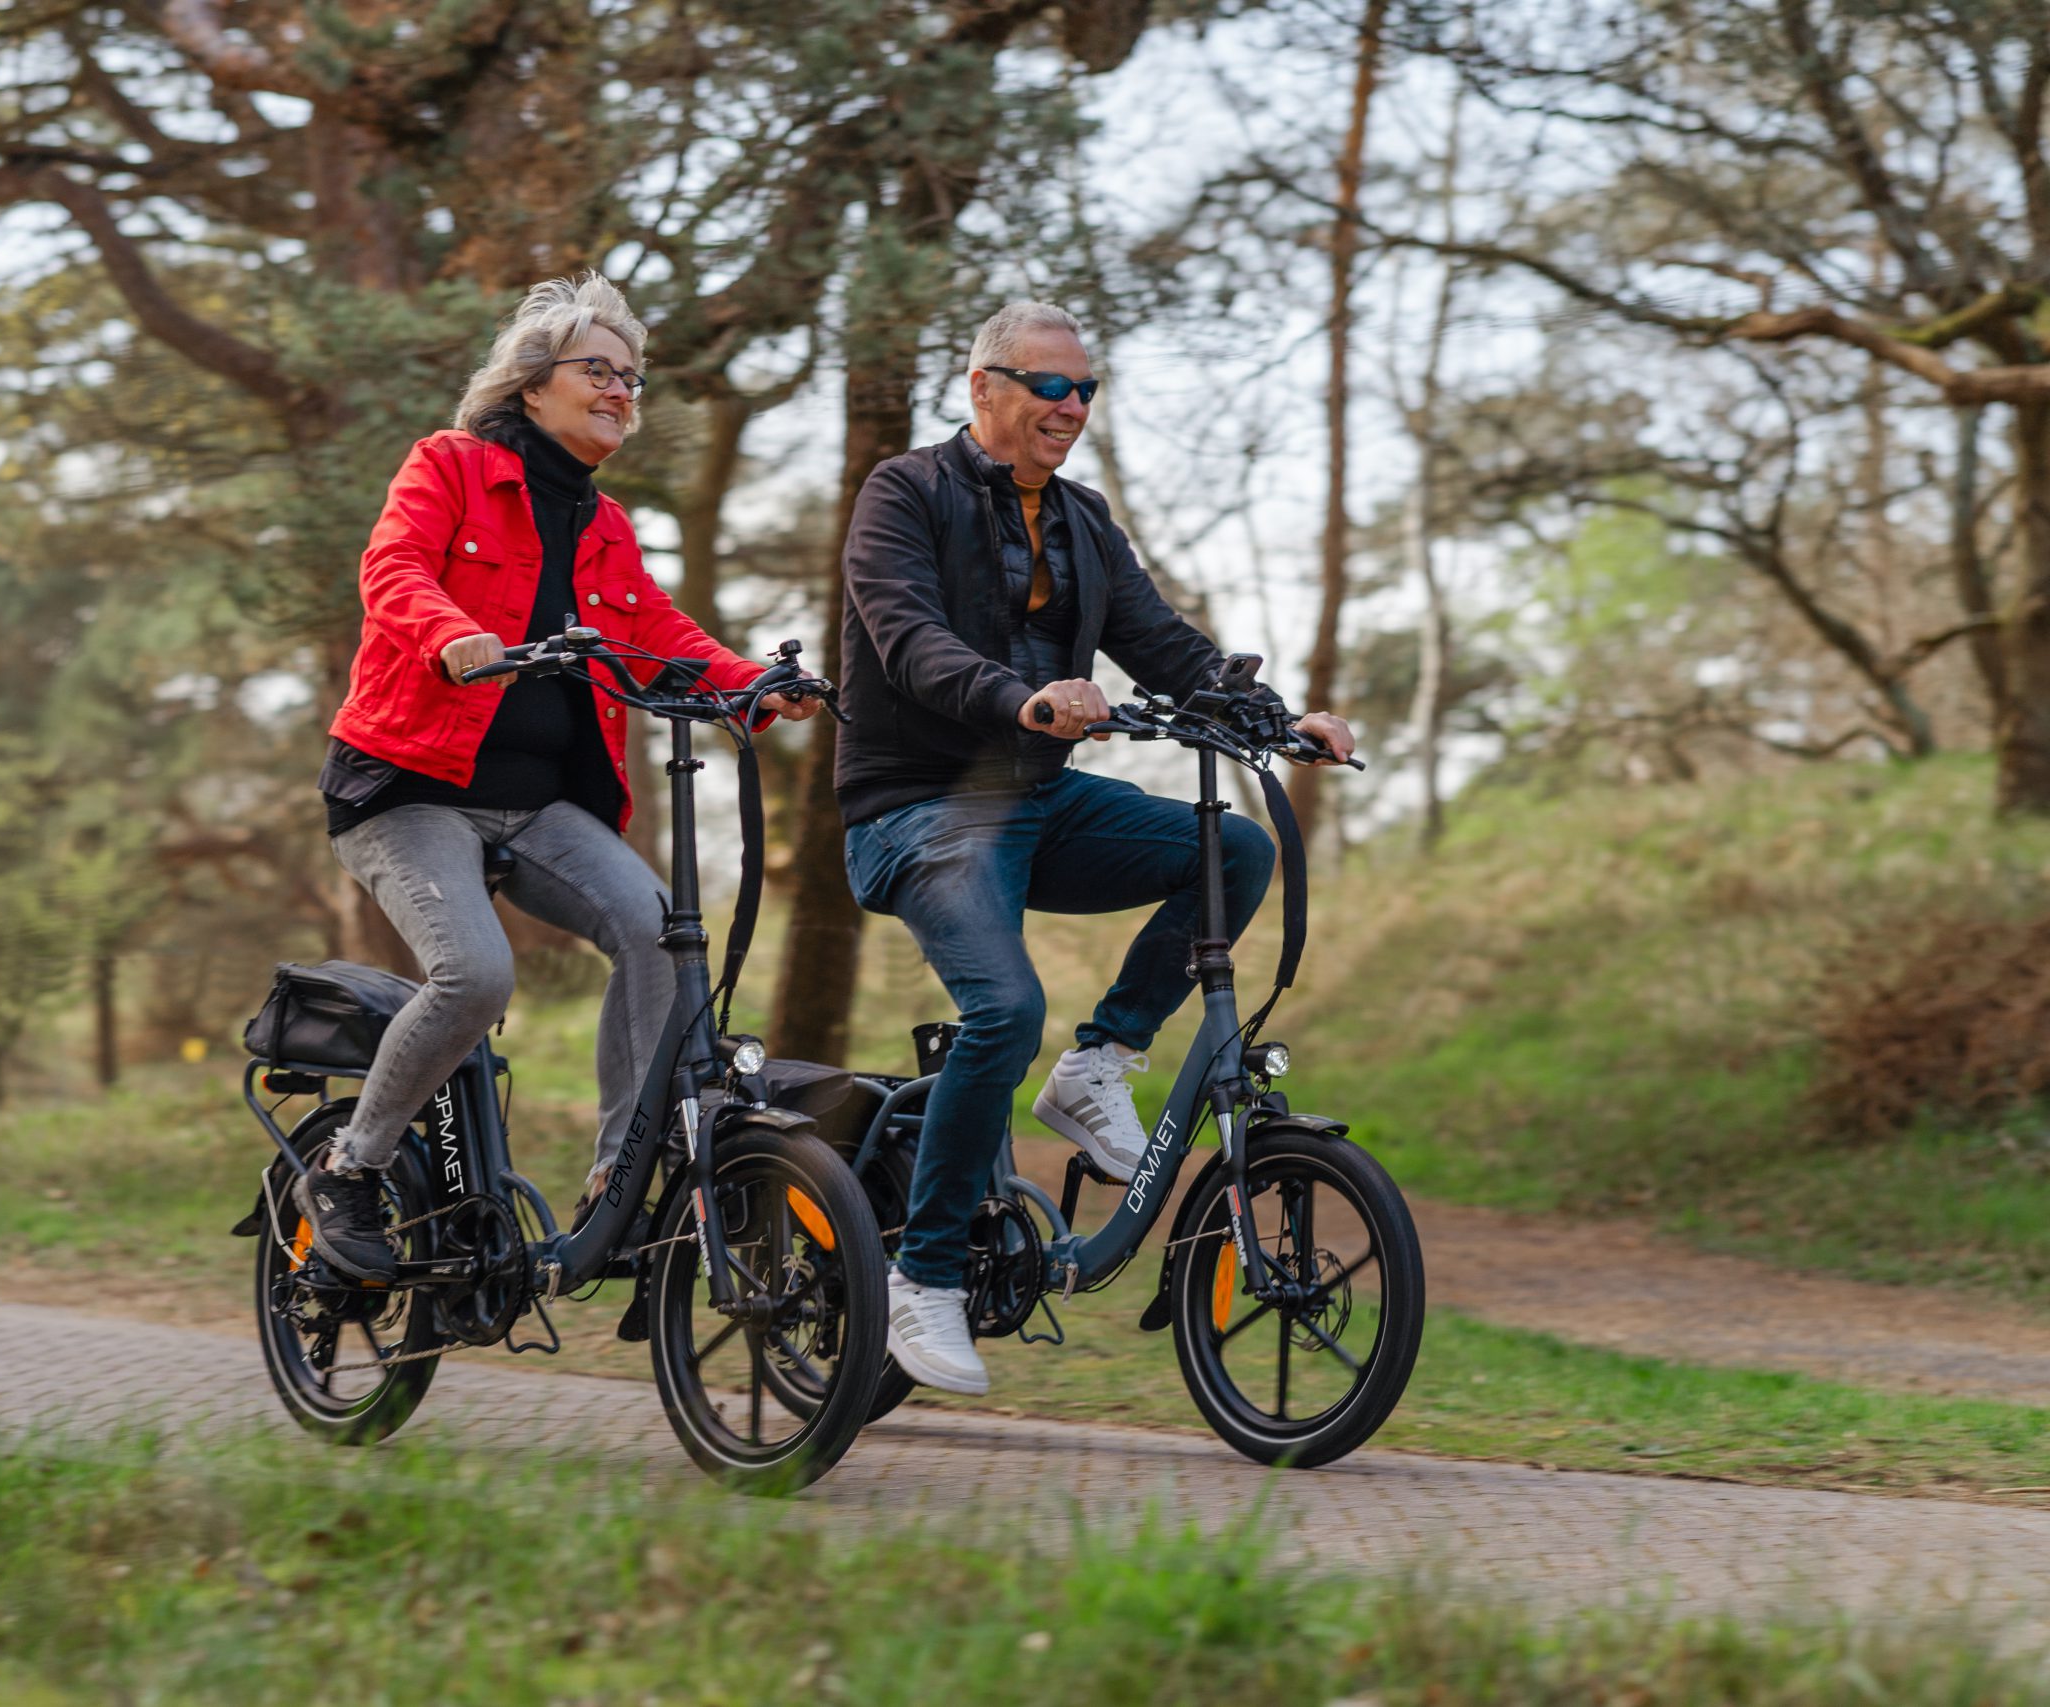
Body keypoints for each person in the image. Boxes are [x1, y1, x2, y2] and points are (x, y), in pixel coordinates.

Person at [835, 301, 1356, 1395]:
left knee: (1235, 852)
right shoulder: (904, 492)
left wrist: (1277, 720)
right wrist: (1020, 698)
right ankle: (924, 1276)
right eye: (1049, 386)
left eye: (1086, 390)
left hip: (1036, 801)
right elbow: (911, 640)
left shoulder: (1080, 517)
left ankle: (1099, 1064)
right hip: (917, 810)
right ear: (983, 388)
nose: (1071, 407)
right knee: (1003, 1010)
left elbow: (1160, 641)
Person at [296, 273, 817, 1280]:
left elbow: (658, 632)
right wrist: (450, 634)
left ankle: (620, 1179)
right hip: (406, 789)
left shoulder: (603, 521)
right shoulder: (450, 465)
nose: (621, 390)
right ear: (532, 386)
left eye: (632, 378)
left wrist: (756, 685)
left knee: (660, 933)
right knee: (476, 973)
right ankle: (351, 1168)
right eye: (598, 370)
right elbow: (393, 568)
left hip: (537, 805)